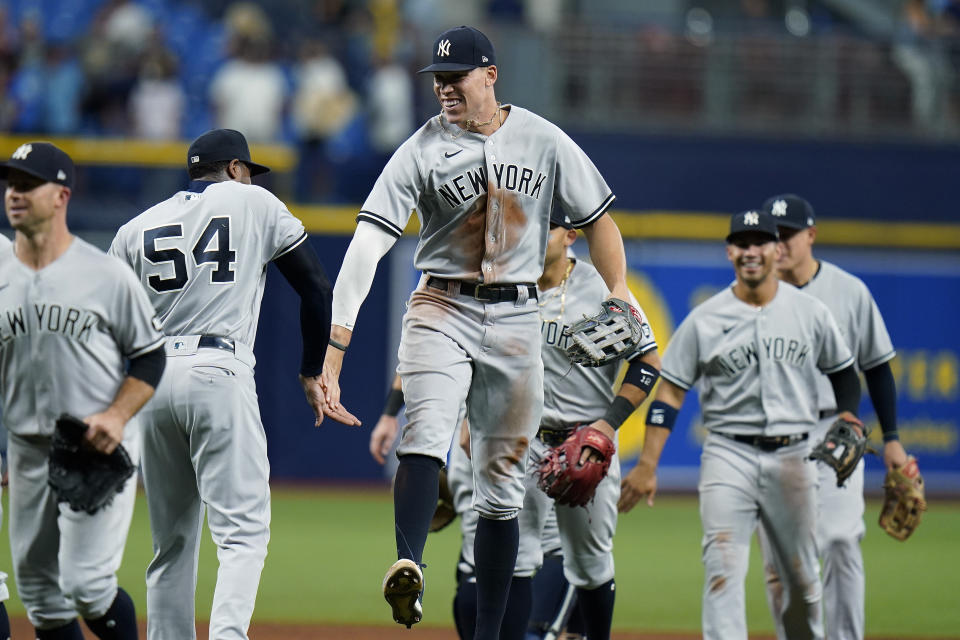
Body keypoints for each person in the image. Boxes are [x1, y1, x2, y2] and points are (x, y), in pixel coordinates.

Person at [323, 24, 633, 639]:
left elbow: (598, 219)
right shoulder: (420, 148)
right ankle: (408, 556)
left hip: (519, 316)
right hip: (442, 304)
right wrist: (336, 345)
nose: (443, 89)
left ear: (490, 75)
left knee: (501, 488)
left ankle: (489, 634)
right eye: (437, 79)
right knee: (428, 430)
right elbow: (366, 247)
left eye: (455, 77)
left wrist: (618, 289)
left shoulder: (542, 139)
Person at [109, 128, 358, 640]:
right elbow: (315, 288)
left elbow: (111, 323)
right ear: (236, 169)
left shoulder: (135, 228)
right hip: (218, 369)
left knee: (171, 543)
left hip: (152, 382)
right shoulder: (253, 201)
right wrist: (312, 370)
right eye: (249, 169)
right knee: (243, 532)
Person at [621, 209, 864, 640]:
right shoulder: (705, 319)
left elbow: (845, 373)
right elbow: (671, 391)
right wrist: (648, 464)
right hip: (727, 455)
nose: (751, 251)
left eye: (760, 242)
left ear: (776, 250)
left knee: (803, 583)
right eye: (742, 243)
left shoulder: (810, 312)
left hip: (794, 454)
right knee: (722, 569)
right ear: (729, 251)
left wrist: (847, 414)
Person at [0, 142, 166, 639]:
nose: (15, 194)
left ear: (62, 196)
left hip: (94, 447)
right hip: (28, 450)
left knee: (88, 584)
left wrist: (116, 417)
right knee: (42, 600)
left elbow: (151, 356)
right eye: (12, 183)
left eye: (30, 184)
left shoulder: (105, 274)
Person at [759, 194, 909, 640]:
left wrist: (894, 438)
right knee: (782, 560)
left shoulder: (849, 291)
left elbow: (878, 368)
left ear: (811, 235)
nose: (779, 244)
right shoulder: (753, 294)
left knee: (842, 539)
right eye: (773, 236)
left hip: (836, 429)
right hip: (775, 434)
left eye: (788, 235)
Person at [511, 211, 661, 640]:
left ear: (571, 235)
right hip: (522, 440)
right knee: (515, 559)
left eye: (547, 228)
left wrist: (607, 427)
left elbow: (648, 363)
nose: (533, 237)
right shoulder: (504, 284)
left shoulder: (601, 288)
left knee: (589, 564)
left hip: (584, 443)